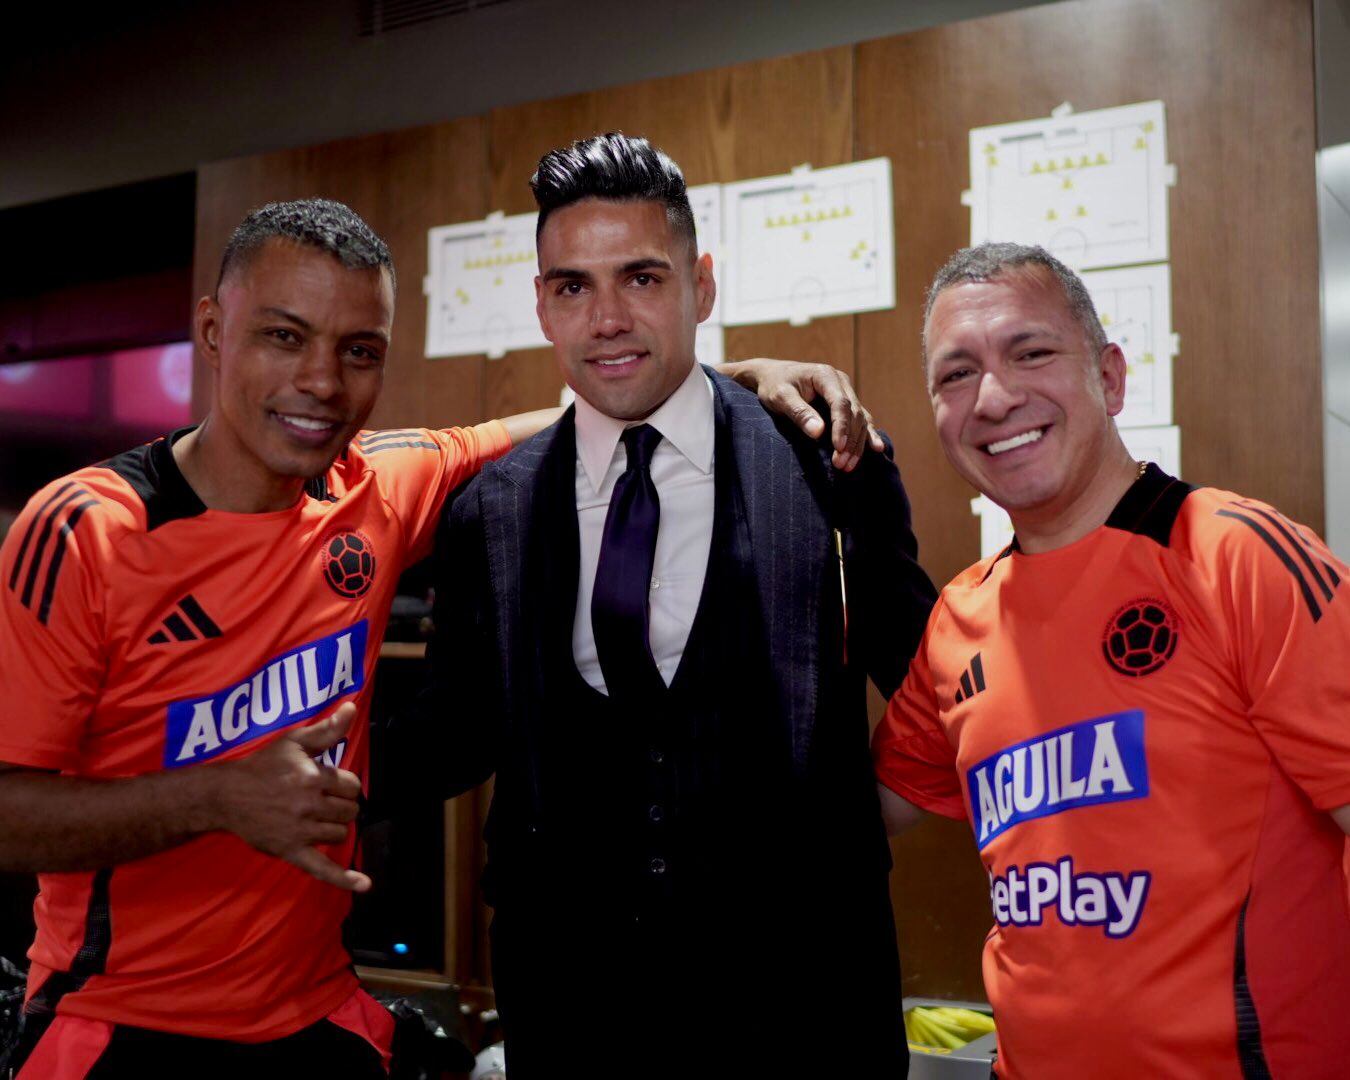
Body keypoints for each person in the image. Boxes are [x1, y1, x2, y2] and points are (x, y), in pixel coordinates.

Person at [0, 197, 883, 1077]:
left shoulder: (381, 483)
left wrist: (731, 376)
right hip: (122, 1023)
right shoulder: (87, 528)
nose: (321, 382)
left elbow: (601, 406)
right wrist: (217, 798)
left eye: (359, 351)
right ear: (212, 328)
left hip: (317, 1015)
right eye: (283, 336)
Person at [400, 133, 938, 1077]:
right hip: (575, 1012)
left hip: (807, 1008)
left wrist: (866, 805)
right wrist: (267, 772)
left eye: (641, 278)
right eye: (573, 287)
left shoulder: (830, 465)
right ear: (541, 304)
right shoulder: (492, 510)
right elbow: (450, 736)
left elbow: (938, 677)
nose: (607, 318)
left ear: (703, 284)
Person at [872, 242, 1350, 1079]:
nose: (994, 396)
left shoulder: (1238, 557)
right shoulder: (959, 618)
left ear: (1111, 378)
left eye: (1032, 352)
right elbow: (846, 817)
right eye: (956, 375)